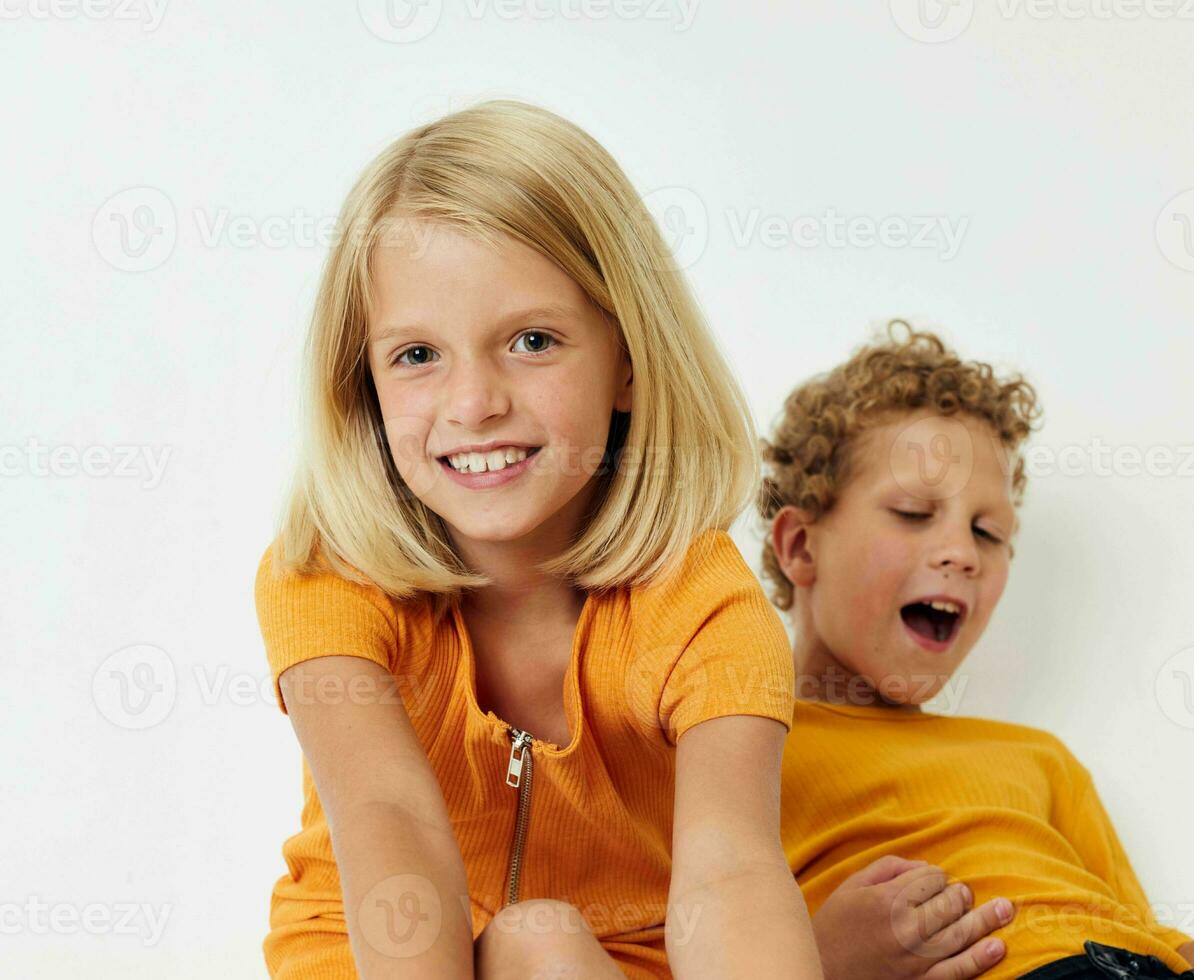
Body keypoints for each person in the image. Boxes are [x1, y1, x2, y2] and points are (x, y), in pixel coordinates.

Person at [253, 100, 822, 979]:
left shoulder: (706, 606)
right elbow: (388, 823)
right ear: (361, 383)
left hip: (606, 964)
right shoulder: (327, 578)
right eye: (416, 356)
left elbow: (732, 871)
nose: (473, 402)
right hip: (370, 960)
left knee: (543, 942)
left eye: (531, 340)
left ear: (629, 360)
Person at [760, 320, 1194, 979]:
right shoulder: (730, 750)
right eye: (913, 512)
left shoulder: (1039, 763)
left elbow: (1158, 959)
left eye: (989, 532)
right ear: (801, 547)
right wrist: (821, 964)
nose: (962, 552)